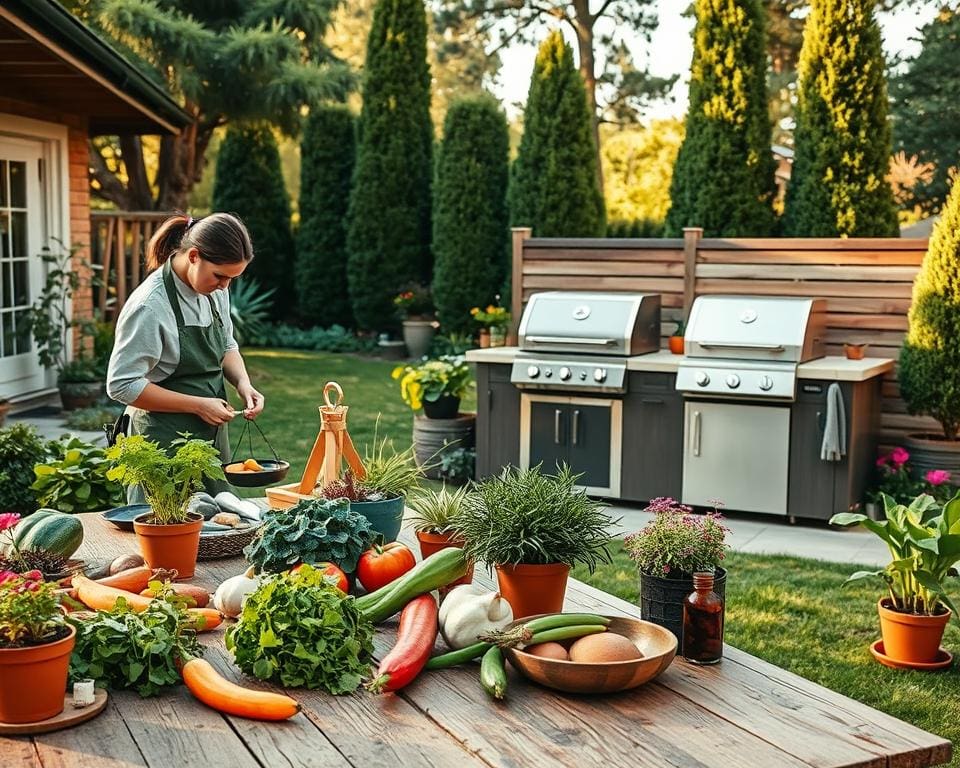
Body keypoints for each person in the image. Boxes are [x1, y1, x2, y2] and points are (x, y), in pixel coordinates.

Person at [107, 212, 265, 500]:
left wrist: (243, 383)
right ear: (194, 256)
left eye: (232, 278)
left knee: (220, 528)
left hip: (210, 439)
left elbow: (227, 345)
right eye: (220, 276)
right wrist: (197, 405)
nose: (225, 286)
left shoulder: (214, 289)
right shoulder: (150, 306)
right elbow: (121, 384)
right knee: (167, 532)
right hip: (161, 443)